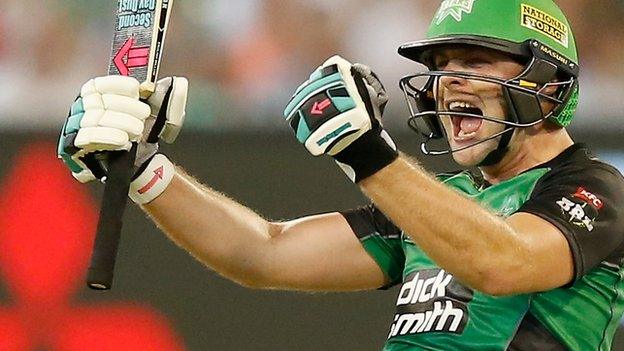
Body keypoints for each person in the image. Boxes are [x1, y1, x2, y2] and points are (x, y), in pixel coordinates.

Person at [57, 0, 624, 350]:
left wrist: (369, 156)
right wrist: (148, 171)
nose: (447, 82)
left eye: (474, 62)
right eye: (440, 67)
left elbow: (502, 261)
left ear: (547, 84)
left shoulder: (598, 190)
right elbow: (263, 252)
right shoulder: (439, 203)